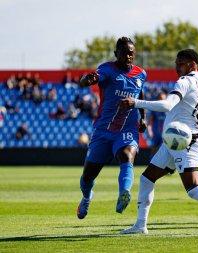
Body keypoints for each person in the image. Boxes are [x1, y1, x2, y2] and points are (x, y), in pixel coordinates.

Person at [117, 49, 198, 234]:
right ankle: (140, 225)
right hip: (175, 141)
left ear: (191, 64)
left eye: (180, 63)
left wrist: (136, 103)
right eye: (176, 62)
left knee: (193, 189)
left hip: (183, 142)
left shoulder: (185, 81)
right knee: (147, 179)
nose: (176, 67)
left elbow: (167, 105)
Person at [76, 36, 147, 219]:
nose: (128, 57)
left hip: (127, 129)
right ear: (116, 54)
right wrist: (87, 80)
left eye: (131, 54)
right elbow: (88, 80)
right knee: (87, 177)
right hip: (103, 131)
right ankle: (86, 197)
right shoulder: (107, 69)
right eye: (124, 53)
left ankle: (124, 193)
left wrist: (143, 117)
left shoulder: (141, 74)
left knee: (127, 155)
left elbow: (141, 94)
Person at [147, 90, 167, 156]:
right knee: (154, 149)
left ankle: (164, 165)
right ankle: (151, 162)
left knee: (164, 149)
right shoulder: (155, 109)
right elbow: (149, 122)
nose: (162, 100)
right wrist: (149, 131)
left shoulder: (168, 109)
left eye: (163, 99)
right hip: (156, 133)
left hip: (165, 134)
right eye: (160, 98)